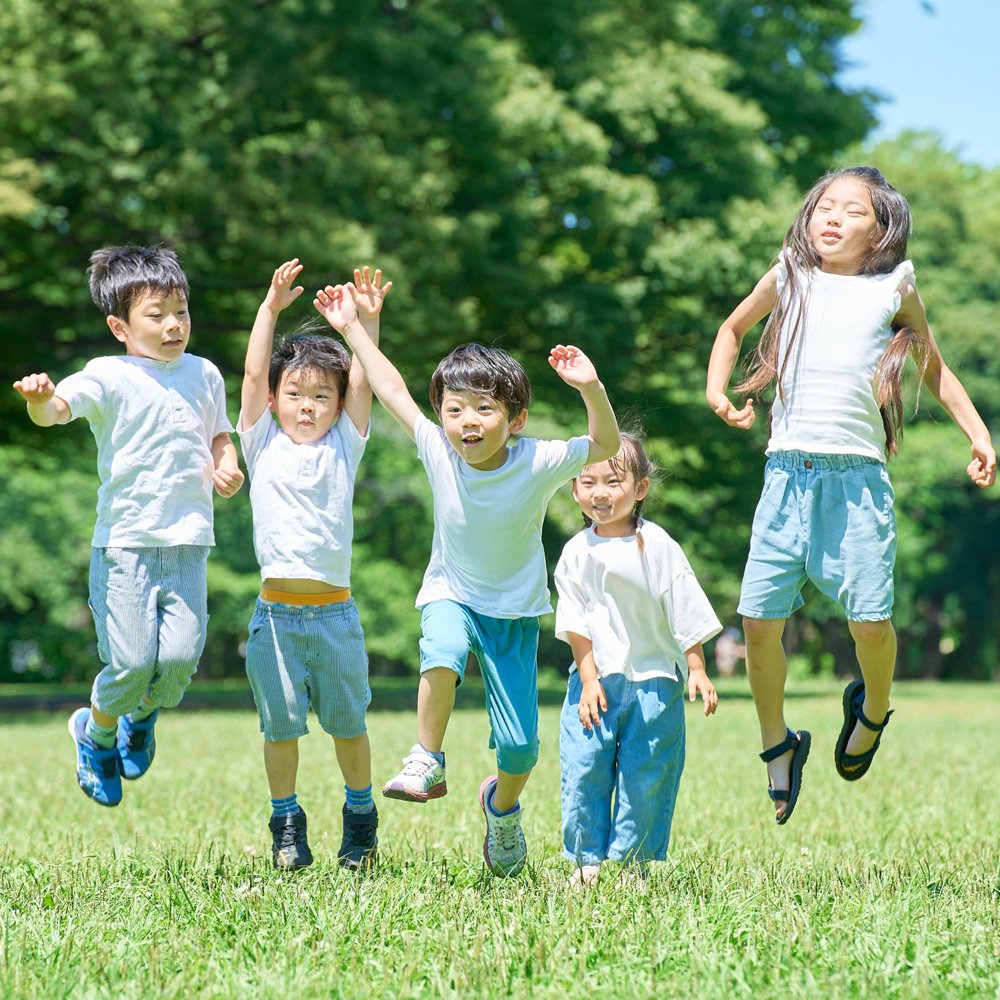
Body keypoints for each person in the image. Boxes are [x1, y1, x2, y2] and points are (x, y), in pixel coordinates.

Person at [706, 166, 996, 825]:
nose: (830, 218)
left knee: (869, 621)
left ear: (881, 229)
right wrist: (717, 391)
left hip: (857, 482)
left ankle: (870, 708)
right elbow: (731, 330)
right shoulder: (789, 274)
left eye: (851, 211)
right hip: (786, 473)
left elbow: (934, 366)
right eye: (822, 207)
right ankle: (776, 743)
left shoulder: (894, 286)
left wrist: (979, 434)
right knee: (758, 621)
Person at [314, 282, 620, 877]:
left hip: (512, 611)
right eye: (454, 409)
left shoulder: (538, 460)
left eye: (483, 409)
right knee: (442, 652)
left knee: (521, 748)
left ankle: (501, 809)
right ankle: (427, 757)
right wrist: (352, 327)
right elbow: (391, 387)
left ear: (516, 419)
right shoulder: (437, 449)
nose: (466, 422)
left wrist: (590, 387)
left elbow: (605, 442)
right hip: (450, 591)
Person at [13, 244, 244, 808]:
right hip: (125, 545)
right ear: (119, 325)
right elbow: (58, 411)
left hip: (188, 540)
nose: (173, 325)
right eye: (156, 314)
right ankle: (95, 735)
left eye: (181, 311)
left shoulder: (205, 373)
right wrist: (39, 401)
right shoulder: (107, 374)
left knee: (181, 661)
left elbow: (218, 432)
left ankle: (140, 717)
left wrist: (227, 459)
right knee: (134, 661)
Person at [237, 260, 391, 871]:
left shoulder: (344, 445)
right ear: (274, 402)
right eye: (295, 395)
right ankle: (286, 823)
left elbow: (364, 384)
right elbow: (252, 371)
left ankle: (360, 817)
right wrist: (269, 308)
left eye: (321, 396)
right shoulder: (261, 441)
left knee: (348, 726)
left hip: (335, 619)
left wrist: (365, 325)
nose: (308, 406)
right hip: (274, 619)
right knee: (281, 730)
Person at [555, 433, 721, 887]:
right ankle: (586, 859)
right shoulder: (576, 552)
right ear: (574, 490)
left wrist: (698, 668)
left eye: (613, 481)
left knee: (647, 773)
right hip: (595, 684)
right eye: (588, 482)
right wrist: (588, 680)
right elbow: (576, 624)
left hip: (654, 682)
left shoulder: (658, 544)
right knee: (585, 768)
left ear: (640, 487)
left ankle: (631, 863)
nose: (600, 493)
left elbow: (682, 604)